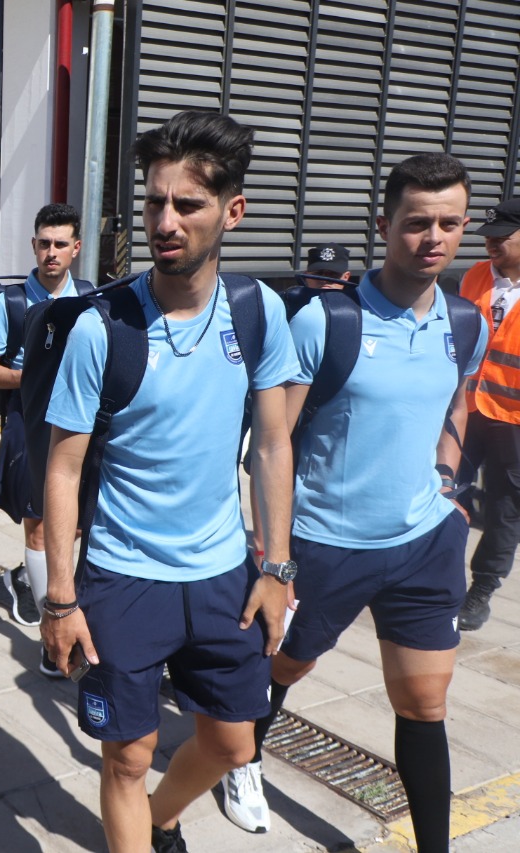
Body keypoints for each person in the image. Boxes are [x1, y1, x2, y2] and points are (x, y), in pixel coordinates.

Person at [40, 111, 298, 853]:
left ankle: (157, 820)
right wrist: (60, 598)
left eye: (187, 204)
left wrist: (277, 568)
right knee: (127, 757)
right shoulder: (102, 327)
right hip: (123, 576)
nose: (165, 222)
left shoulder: (256, 311)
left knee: (232, 743)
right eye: (154, 202)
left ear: (232, 211)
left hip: (222, 573)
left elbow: (272, 444)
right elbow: (62, 466)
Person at [222, 153, 487, 852]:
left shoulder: (465, 321)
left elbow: (458, 401)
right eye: (417, 222)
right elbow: (273, 442)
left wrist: (446, 480)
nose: (433, 238)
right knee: (284, 667)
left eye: (450, 223)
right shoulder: (327, 321)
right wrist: (273, 555)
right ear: (384, 225)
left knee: (425, 702)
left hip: (424, 544)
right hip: (326, 545)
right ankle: (241, 759)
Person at [0, 202, 84, 675]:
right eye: (44, 243)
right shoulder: (12, 303)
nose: (51, 252)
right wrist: (33, 378)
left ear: (76, 248)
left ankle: (26, 576)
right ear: (33, 246)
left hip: (80, 425)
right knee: (39, 527)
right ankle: (51, 636)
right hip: (29, 422)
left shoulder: (91, 299)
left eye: (60, 244)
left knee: (74, 526)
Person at [458, 197, 520, 631]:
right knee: (448, 488)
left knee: (505, 506)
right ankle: (435, 569)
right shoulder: (475, 276)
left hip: (513, 420)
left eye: (502, 237)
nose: (491, 244)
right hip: (466, 406)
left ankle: (482, 587)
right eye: (488, 236)